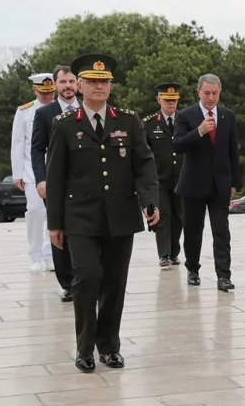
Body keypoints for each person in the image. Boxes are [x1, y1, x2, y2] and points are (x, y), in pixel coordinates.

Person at [45, 53, 159, 372]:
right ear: (79, 85)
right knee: (87, 276)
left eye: (104, 81)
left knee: (114, 281)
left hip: (120, 214)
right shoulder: (65, 126)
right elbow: (55, 176)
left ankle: (109, 345)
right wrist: (55, 222)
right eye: (92, 81)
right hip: (79, 216)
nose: (99, 86)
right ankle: (84, 348)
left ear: (111, 85)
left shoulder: (128, 121)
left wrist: (150, 201)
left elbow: (144, 164)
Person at [172, 74, 241, 292]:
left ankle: (224, 275)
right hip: (193, 184)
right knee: (193, 230)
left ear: (220, 92)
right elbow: (178, 145)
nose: (211, 98)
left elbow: (233, 151)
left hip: (220, 183)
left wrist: (234, 182)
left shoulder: (228, 116)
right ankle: (193, 268)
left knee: (222, 230)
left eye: (215, 93)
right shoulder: (185, 115)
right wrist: (199, 131)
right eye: (206, 93)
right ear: (198, 92)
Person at [31, 65, 80, 301]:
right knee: (59, 231)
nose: (68, 86)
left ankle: (89, 279)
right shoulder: (44, 114)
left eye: (72, 82)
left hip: (85, 181)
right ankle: (68, 283)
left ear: (78, 85)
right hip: (56, 183)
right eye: (63, 82)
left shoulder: (89, 109)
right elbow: (37, 150)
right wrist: (41, 179)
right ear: (55, 85)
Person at [11, 73, 56, 273]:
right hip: (32, 172)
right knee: (36, 212)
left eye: (50, 92)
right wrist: (17, 173)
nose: (47, 96)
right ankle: (35, 255)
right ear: (34, 90)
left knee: (55, 215)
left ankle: (50, 255)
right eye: (43, 92)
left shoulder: (62, 109)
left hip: (57, 170)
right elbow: (18, 143)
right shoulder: (25, 112)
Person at [143, 83, 185, 268]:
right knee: (162, 215)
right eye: (167, 100)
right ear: (159, 100)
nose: (171, 103)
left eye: (174, 100)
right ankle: (164, 254)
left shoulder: (185, 120)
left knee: (179, 217)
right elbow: (144, 153)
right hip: (159, 179)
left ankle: (174, 252)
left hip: (181, 178)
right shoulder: (149, 123)